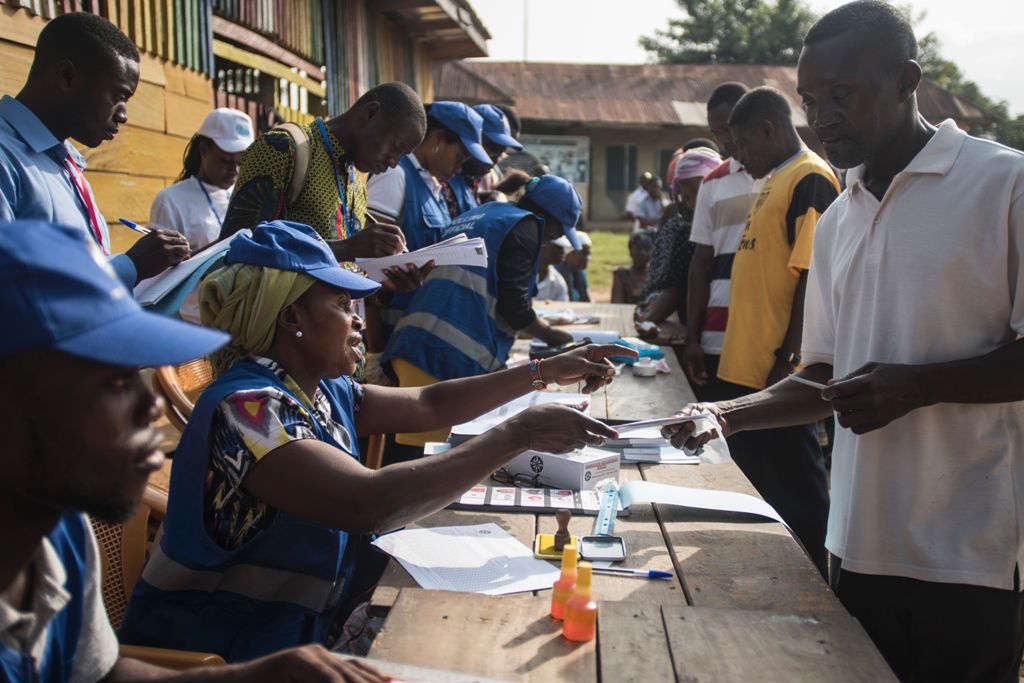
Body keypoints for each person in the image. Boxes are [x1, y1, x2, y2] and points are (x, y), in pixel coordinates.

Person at [671, 3, 1024, 679]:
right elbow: (821, 374)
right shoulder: (840, 217)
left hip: (970, 551)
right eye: (810, 98)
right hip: (859, 541)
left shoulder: (1003, 186)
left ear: (906, 81)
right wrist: (721, 414)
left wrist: (919, 386)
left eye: (842, 95)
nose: (822, 115)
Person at [118, 220, 628, 661]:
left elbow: (430, 405)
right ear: (291, 317)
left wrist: (541, 372)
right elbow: (368, 503)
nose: (360, 320)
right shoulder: (248, 410)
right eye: (342, 304)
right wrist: (521, 432)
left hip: (292, 636)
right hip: (220, 650)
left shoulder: (319, 388)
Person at [0, 220, 388, 682]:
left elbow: (99, 675)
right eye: (114, 382)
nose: (150, 407)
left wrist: (250, 678)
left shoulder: (58, 531)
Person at [708, 86, 841, 577]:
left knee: (799, 492)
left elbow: (811, 273)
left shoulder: (809, 178)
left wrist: (790, 358)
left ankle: (823, 585)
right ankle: (775, 572)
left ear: (768, 129)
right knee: (758, 486)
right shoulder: (774, 177)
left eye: (741, 145)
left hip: (779, 371)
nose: (736, 156)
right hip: (746, 367)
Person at [383, 175, 583, 448]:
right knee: (425, 460)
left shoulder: (485, 213)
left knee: (406, 452)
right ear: (548, 218)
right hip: (443, 356)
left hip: (417, 342)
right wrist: (552, 337)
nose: (549, 241)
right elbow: (515, 308)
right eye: (555, 234)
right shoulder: (526, 225)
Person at [0, 12, 189, 287]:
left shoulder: (64, 163)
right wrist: (130, 266)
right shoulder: (6, 159)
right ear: (67, 77)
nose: (123, 115)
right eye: (118, 96)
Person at [219, 81, 427, 283]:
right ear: (370, 113)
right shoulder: (283, 148)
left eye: (402, 156)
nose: (393, 163)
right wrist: (344, 248)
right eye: (395, 147)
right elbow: (234, 248)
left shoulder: (357, 188)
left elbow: (339, 278)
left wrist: (389, 282)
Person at [682, 82, 760, 392]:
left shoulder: (792, 176)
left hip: (770, 337)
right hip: (718, 334)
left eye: (728, 129)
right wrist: (692, 337)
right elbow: (701, 264)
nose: (724, 140)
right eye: (717, 133)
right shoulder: (713, 183)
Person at [635, 146, 722, 337]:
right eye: (687, 197)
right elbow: (676, 285)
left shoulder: (708, 223)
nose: (691, 202)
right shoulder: (686, 226)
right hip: (694, 321)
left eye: (696, 194)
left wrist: (648, 318)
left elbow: (674, 290)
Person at [149, 108, 255, 251]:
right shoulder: (170, 201)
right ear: (204, 150)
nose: (234, 170)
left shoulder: (246, 197)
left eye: (241, 163)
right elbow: (159, 266)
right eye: (226, 160)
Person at [443, 104, 523, 217]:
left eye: (499, 154)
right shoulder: (442, 181)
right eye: (492, 150)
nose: (492, 162)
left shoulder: (470, 183)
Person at [611, 230, 652, 304]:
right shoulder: (622, 275)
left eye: (647, 249)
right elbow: (617, 303)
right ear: (630, 251)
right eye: (638, 249)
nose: (643, 252)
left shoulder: (656, 275)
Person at [535, 236, 571, 301]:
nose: (563, 252)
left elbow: (563, 308)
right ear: (543, 245)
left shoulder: (558, 281)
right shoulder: (523, 273)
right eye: (558, 247)